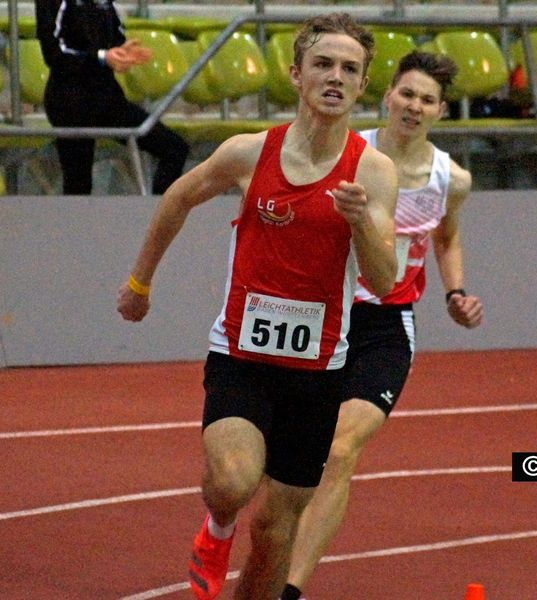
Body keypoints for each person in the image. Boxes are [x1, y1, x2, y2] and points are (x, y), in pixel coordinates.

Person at [117, 13, 399, 600]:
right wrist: (140, 284)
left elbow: (382, 276)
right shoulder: (249, 152)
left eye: (350, 68)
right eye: (323, 63)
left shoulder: (372, 171)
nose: (335, 76)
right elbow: (179, 196)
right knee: (233, 480)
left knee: (275, 532)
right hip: (243, 355)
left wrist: (360, 223)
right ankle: (217, 528)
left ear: (362, 86)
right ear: (296, 75)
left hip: (319, 372)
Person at [281, 50, 484, 600]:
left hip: (386, 326)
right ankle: (257, 544)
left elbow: (446, 237)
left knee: (341, 449)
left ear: (440, 111)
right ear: (388, 96)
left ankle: (289, 589)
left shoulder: (451, 179)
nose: (414, 107)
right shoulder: (349, 152)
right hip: (321, 314)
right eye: (407, 94)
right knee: (289, 458)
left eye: (427, 100)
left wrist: (457, 291)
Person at [35, 0, 189, 195]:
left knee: (174, 148)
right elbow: (54, 53)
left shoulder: (104, 3)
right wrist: (101, 57)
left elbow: (114, 37)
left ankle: (158, 216)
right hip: (70, 98)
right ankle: (76, 223)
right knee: (78, 182)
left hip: (106, 96)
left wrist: (123, 52)